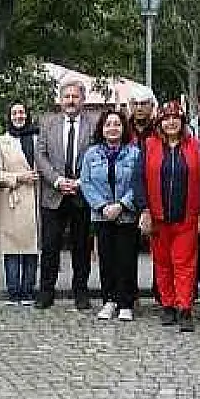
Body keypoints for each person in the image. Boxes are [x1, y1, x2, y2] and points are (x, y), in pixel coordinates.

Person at [139, 101, 200, 332]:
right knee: (162, 264)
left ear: (182, 122)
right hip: (158, 217)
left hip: (186, 217)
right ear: (160, 122)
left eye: (175, 118)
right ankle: (168, 305)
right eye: (166, 118)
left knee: (184, 265)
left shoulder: (195, 146)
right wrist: (144, 209)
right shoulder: (149, 145)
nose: (171, 122)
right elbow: (138, 179)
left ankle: (184, 308)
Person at [35, 77, 97, 310]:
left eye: (75, 97)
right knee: (50, 246)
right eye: (67, 97)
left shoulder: (94, 124)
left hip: (83, 194)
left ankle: (80, 292)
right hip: (54, 194)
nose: (71, 101)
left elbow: (98, 155)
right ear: (60, 100)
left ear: (83, 99)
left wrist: (81, 182)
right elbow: (40, 156)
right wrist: (58, 181)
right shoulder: (48, 124)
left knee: (82, 247)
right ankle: (46, 292)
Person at [79, 110, 146, 322]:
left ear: (124, 128)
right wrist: (102, 206)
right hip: (102, 216)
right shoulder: (91, 154)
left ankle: (126, 302)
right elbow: (86, 182)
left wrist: (122, 204)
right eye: (108, 124)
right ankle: (109, 300)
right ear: (102, 128)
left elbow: (138, 183)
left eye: (117, 124)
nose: (112, 128)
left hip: (126, 215)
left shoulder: (134, 153)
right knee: (106, 259)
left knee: (126, 259)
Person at [0, 103, 40, 306]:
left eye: (22, 112)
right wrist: (19, 177)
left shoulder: (37, 138)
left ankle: (28, 289)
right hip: (12, 197)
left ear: (28, 115)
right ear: (9, 116)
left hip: (35, 197)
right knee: (12, 246)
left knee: (31, 246)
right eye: (15, 113)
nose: (19, 116)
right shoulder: (1, 141)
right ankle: (13, 289)